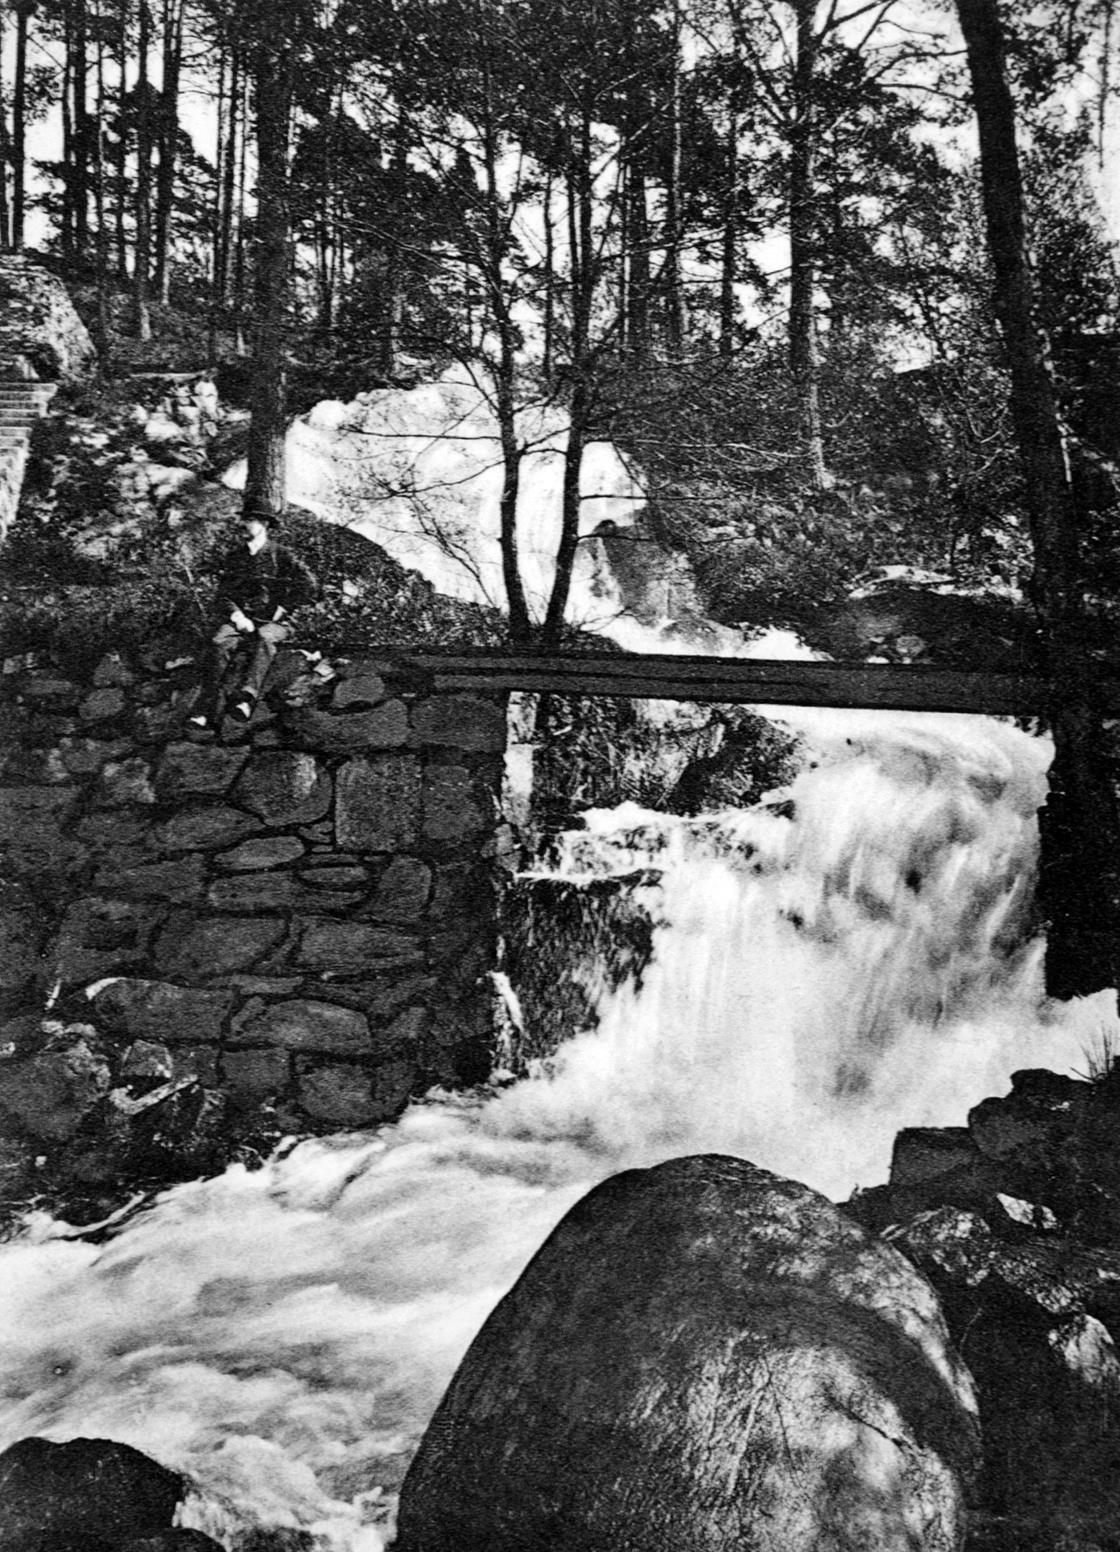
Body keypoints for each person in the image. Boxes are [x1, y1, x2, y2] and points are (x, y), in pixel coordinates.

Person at [189, 503, 319, 731]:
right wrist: (237, 614)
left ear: (265, 524)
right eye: (243, 519)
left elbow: (310, 585)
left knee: (263, 638)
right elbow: (223, 594)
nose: (242, 524)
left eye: (250, 520)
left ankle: (246, 698)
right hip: (243, 619)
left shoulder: (282, 555)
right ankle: (206, 710)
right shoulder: (236, 557)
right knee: (218, 643)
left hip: (276, 622)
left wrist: (285, 607)